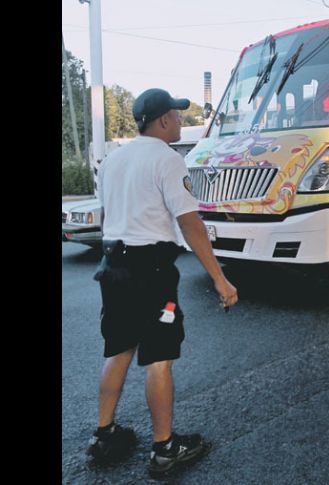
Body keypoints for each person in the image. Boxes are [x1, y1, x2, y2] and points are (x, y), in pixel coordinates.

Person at [87, 88, 239, 476]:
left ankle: (104, 436)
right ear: (163, 121)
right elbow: (190, 224)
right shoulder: (169, 160)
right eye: (176, 114)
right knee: (158, 360)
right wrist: (220, 279)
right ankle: (165, 449)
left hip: (113, 265)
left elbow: (107, 219)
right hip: (151, 272)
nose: (180, 120)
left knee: (118, 349)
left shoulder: (113, 161)